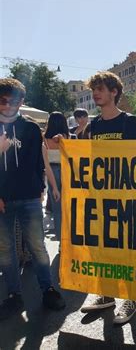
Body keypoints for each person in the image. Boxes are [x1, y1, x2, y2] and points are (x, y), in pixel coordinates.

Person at [78, 71, 136, 325]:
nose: (96, 93)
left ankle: (130, 300)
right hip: (100, 197)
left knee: (126, 252)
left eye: (101, 89)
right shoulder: (94, 126)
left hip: (124, 197)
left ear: (114, 92)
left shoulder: (129, 121)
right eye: (94, 89)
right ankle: (106, 294)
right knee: (102, 249)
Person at [0, 78, 65, 320]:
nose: (7, 105)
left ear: (21, 102)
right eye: (2, 100)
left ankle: (47, 289)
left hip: (29, 198)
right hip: (2, 200)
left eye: (13, 101)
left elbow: (38, 164)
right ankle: (14, 295)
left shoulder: (30, 128)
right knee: (5, 251)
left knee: (38, 247)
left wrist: (41, 191)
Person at [44, 112, 73, 241]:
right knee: (70, 206)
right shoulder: (68, 137)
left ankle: (62, 240)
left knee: (57, 209)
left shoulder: (44, 138)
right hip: (67, 170)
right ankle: (70, 238)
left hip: (51, 171)